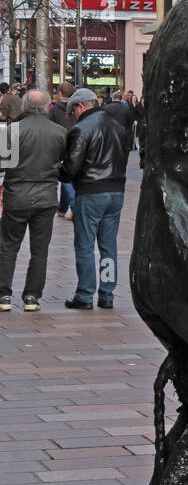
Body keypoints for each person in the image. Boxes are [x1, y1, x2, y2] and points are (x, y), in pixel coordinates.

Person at [60, 87, 129, 311]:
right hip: (116, 191)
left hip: (91, 192)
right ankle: (107, 294)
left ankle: (85, 294)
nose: (73, 116)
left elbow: (71, 168)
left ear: (81, 106)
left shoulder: (81, 129)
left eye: (73, 111)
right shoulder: (118, 127)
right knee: (109, 246)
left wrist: (57, 172)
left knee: (85, 245)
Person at [0, 90, 66, 313]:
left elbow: (1, 164)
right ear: (48, 106)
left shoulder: (12, 131)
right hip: (46, 197)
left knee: (8, 246)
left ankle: (3, 296)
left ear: (25, 106)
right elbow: (66, 163)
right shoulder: (59, 133)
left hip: (16, 196)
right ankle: (31, 297)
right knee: (40, 250)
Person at [48, 83, 78, 218]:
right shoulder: (76, 107)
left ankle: (73, 206)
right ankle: (62, 208)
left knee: (65, 179)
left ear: (60, 94)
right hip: (76, 143)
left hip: (60, 144)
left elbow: (50, 127)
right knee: (68, 174)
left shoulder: (54, 109)